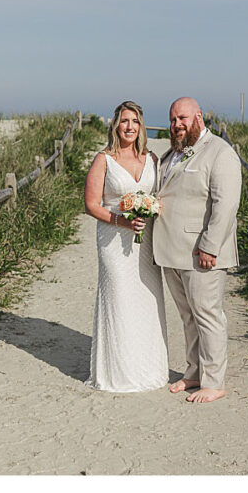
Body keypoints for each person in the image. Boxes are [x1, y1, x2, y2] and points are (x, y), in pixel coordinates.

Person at [154, 96, 241, 403]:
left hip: (202, 253)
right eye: (173, 119)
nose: (177, 124)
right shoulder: (171, 154)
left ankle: (214, 382)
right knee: (188, 316)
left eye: (183, 118)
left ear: (199, 118)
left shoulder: (220, 153)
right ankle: (193, 373)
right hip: (172, 251)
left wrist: (209, 246)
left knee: (208, 316)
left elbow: (226, 205)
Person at [84, 101, 168, 391]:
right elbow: (91, 204)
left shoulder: (152, 159)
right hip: (113, 240)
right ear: (115, 126)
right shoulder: (103, 160)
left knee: (147, 299)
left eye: (134, 121)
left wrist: (152, 210)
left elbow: (161, 195)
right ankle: (119, 374)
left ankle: (149, 369)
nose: (129, 126)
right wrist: (121, 221)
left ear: (141, 126)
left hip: (145, 243)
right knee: (119, 299)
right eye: (124, 121)